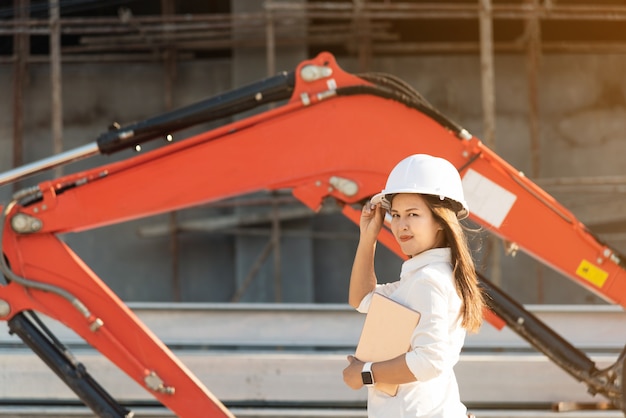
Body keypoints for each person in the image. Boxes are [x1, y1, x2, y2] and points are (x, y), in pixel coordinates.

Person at [342, 153, 484, 418]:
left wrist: (365, 373)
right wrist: (368, 238)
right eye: (395, 215)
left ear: (441, 220)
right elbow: (362, 298)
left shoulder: (428, 281)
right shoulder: (421, 278)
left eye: (413, 214)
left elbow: (430, 361)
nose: (401, 225)